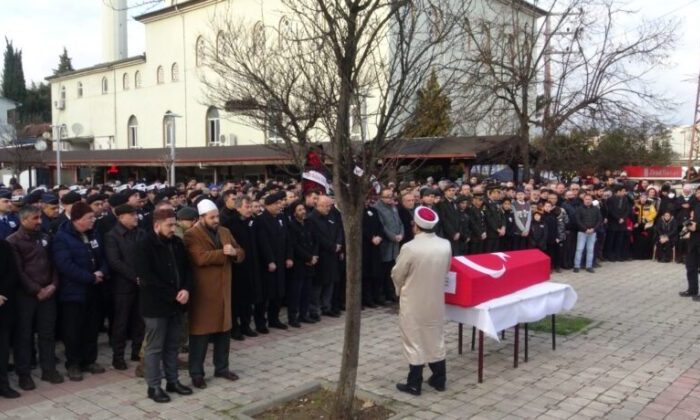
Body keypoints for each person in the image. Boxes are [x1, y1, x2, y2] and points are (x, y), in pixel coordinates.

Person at [134, 208, 193, 403]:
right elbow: (147, 277)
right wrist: (173, 295)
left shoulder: (176, 243)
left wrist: (185, 289)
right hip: (156, 305)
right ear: (156, 225)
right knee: (155, 347)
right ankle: (154, 386)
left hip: (177, 304)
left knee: (172, 345)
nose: (173, 228)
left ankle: (173, 381)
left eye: (175, 224)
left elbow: (186, 269)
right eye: (169, 225)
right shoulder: (144, 245)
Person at [391, 206, 452, 396]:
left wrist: (399, 289)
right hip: (435, 298)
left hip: (414, 300)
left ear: (416, 226)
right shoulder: (445, 244)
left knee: (413, 338)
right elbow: (447, 270)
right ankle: (439, 378)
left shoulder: (410, 247)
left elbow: (398, 273)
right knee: (435, 336)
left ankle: (414, 383)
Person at [184, 199, 244, 389]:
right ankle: (196, 373)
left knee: (223, 333)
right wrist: (223, 254)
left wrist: (234, 252)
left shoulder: (225, 231)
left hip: (224, 290)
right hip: (204, 292)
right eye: (212, 217)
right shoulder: (191, 235)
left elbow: (241, 252)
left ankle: (222, 367)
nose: (216, 220)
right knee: (200, 335)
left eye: (217, 216)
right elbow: (200, 258)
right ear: (201, 218)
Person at [7, 206, 63, 390]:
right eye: (35, 218)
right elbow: (18, 271)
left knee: (47, 333)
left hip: (48, 291)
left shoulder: (45, 237)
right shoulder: (13, 241)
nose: (40, 221)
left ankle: (49, 369)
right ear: (23, 220)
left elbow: (54, 263)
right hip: (26, 295)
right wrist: (35, 290)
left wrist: (53, 285)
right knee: (24, 335)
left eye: (40, 218)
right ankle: (24, 374)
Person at [52, 201, 109, 381]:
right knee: (73, 330)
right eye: (89, 218)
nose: (93, 220)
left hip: (95, 289)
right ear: (77, 220)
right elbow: (65, 265)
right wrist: (90, 277)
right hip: (74, 292)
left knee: (91, 327)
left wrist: (102, 272)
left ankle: (89, 360)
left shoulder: (94, 234)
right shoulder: (62, 237)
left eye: (93, 217)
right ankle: (74, 363)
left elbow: (104, 257)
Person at [105, 204, 147, 370]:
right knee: (121, 322)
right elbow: (115, 261)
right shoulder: (112, 236)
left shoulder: (141, 233)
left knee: (139, 320)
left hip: (141, 283)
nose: (136, 217)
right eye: (132, 215)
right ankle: (118, 356)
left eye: (136, 214)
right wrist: (134, 276)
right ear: (121, 217)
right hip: (122, 285)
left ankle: (136, 351)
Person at [256, 191, 294, 330]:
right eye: (276, 204)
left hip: (281, 260)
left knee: (279, 292)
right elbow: (263, 242)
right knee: (266, 293)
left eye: (280, 203)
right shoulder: (261, 220)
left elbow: (288, 238)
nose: (280, 206)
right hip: (268, 263)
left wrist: (289, 256)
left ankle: (274, 318)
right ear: (268, 205)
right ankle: (260, 322)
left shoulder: (282, 217)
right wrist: (270, 260)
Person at [306, 195, 342, 318]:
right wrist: (332, 246)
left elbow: (338, 230)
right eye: (327, 206)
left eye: (330, 206)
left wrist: (338, 243)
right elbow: (317, 237)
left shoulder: (331, 216)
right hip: (321, 255)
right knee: (318, 285)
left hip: (333, 255)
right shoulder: (312, 218)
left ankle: (326, 306)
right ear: (319, 205)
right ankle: (314, 309)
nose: (329, 208)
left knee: (330, 282)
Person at [286, 200, 318, 326]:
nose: (303, 211)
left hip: (311, 262)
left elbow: (316, 240)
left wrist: (314, 256)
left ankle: (304, 314)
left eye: (303, 209)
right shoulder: (291, 225)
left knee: (307, 291)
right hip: (299, 263)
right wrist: (308, 257)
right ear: (294, 213)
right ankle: (293, 317)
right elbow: (294, 245)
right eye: (299, 210)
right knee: (296, 292)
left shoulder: (309, 223)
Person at [374, 188, 404, 303]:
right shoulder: (378, 208)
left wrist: (401, 234)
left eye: (391, 196)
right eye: (387, 196)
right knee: (383, 271)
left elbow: (399, 222)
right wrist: (392, 236)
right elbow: (383, 226)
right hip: (385, 245)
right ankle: (380, 295)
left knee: (392, 271)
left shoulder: (393, 207)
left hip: (395, 245)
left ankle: (391, 293)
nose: (390, 198)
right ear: (381, 197)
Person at [0, 239, 20, 398]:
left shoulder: (4, 245)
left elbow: (12, 272)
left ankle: (3, 384)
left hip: (3, 304)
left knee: (3, 348)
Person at [362, 196, 383, 308]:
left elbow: (380, 225)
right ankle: (366, 299)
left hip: (376, 246)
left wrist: (379, 236)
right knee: (366, 274)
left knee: (375, 273)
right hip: (365, 246)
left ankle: (375, 297)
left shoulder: (373, 210)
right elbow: (361, 228)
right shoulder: (359, 213)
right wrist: (371, 237)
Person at [573, 194, 602, 273]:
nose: (588, 201)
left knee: (590, 250)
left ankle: (589, 266)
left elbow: (599, 220)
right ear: (583, 200)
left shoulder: (596, 209)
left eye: (589, 199)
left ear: (592, 200)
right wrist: (585, 229)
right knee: (579, 249)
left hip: (593, 232)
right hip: (582, 232)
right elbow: (577, 220)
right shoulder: (579, 209)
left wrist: (594, 229)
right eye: (586, 199)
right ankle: (576, 266)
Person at [435, 182, 461, 255]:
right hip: (447, 234)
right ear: (445, 192)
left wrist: (458, 231)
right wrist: (453, 233)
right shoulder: (441, 204)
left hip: (456, 233)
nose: (451, 192)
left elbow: (458, 217)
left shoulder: (454, 202)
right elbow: (444, 220)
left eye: (453, 190)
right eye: (449, 191)